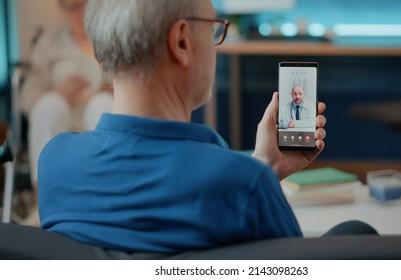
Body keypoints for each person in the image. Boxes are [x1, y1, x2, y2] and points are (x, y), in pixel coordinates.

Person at [37, 0, 328, 254]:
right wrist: (258, 175)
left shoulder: (54, 162)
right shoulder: (245, 184)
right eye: (213, 27)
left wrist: (266, 165)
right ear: (181, 42)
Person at [19, 0, 113, 227]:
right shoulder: (49, 44)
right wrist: (58, 92)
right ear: (63, 8)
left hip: (98, 113)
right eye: (75, 6)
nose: (82, 11)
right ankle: (43, 203)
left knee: (102, 104)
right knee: (47, 106)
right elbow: (26, 98)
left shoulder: (112, 39)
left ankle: (102, 202)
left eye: (86, 4)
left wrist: (111, 87)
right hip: (63, 116)